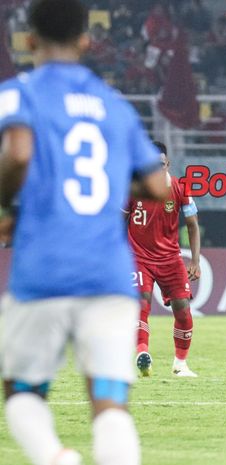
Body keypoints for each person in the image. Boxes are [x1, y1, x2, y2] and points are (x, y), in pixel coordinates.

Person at [0, 1, 169, 464]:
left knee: (22, 391)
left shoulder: (17, 94)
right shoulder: (113, 105)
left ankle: (58, 459)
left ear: (28, 39)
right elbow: (158, 185)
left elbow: (16, 154)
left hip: (44, 270)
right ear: (85, 41)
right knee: (110, 401)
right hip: (109, 274)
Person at [126, 141, 201, 378]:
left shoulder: (181, 189)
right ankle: (142, 354)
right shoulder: (132, 189)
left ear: (167, 163)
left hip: (170, 258)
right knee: (141, 303)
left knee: (183, 309)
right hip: (139, 256)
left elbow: (193, 226)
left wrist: (195, 261)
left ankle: (180, 364)